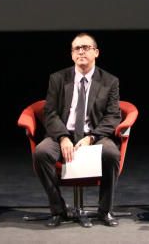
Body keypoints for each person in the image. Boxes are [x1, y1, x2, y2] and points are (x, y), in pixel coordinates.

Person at [32, 32, 122, 228]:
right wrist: (63, 137)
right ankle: (58, 210)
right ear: (72, 54)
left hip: (94, 135)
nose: (81, 52)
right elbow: (50, 112)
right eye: (77, 49)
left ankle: (105, 210)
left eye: (86, 48)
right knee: (41, 152)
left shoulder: (110, 81)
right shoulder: (57, 79)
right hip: (62, 134)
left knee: (111, 153)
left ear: (96, 52)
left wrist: (91, 137)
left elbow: (113, 116)